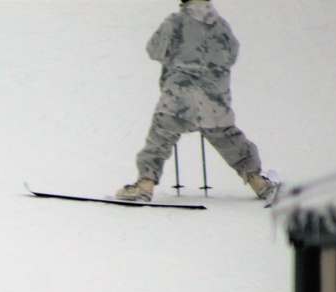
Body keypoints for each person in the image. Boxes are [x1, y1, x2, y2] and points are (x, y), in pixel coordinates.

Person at [115, 0, 277, 203]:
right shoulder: (222, 25)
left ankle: (145, 184)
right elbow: (232, 55)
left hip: (179, 96)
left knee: (159, 138)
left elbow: (154, 49)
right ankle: (258, 182)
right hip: (214, 98)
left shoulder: (176, 21)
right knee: (230, 140)